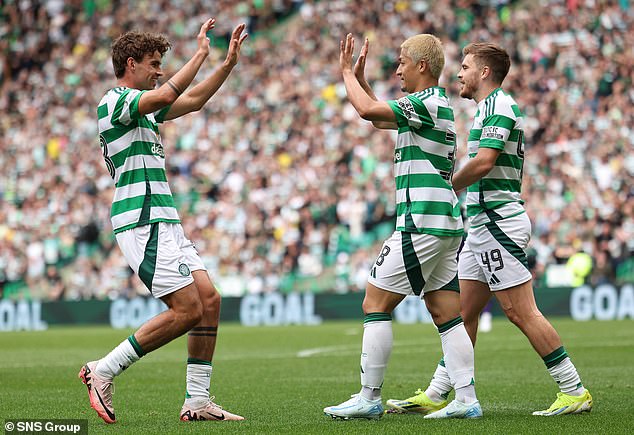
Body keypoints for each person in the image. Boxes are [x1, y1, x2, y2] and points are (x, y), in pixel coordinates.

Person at [386, 42, 592, 417]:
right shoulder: (486, 109)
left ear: (483, 73)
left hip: (498, 223)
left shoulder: (500, 106)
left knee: (520, 311)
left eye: (465, 67)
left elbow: (483, 163)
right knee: (462, 315)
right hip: (480, 225)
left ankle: (573, 388)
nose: (459, 74)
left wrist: (445, 185)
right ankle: (439, 392)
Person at [78, 19, 248, 424]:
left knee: (209, 300)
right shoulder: (114, 101)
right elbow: (171, 92)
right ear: (131, 64)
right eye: (154, 63)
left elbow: (191, 101)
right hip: (141, 219)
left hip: (164, 219)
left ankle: (197, 400)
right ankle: (103, 369)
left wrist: (225, 65)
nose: (159, 71)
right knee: (187, 308)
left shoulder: (144, 109)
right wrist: (200, 55)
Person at [323, 33, 482, 420]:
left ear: (421, 65)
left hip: (421, 221)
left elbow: (366, 111)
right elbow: (380, 115)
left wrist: (345, 73)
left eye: (402, 63)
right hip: (444, 222)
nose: (397, 70)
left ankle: (369, 397)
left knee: (375, 302)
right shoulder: (434, 104)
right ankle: (466, 399)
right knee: (446, 312)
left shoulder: (425, 102)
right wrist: (361, 81)